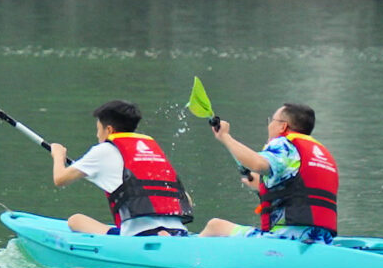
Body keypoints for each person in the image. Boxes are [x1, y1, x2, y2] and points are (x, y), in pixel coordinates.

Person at [47, 100, 193, 236]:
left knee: (75, 220)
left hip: (140, 236)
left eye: (98, 129)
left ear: (109, 130)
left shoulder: (103, 150)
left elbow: (60, 179)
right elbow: (187, 200)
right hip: (179, 230)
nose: (97, 135)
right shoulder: (151, 149)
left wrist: (58, 155)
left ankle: (156, 235)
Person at [198, 102, 340, 242]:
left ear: (282, 126)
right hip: (322, 239)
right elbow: (299, 189)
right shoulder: (321, 152)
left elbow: (258, 164)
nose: (269, 125)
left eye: (272, 120)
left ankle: (187, 260)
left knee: (215, 226)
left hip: (287, 239)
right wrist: (261, 185)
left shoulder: (284, 144)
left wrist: (225, 137)